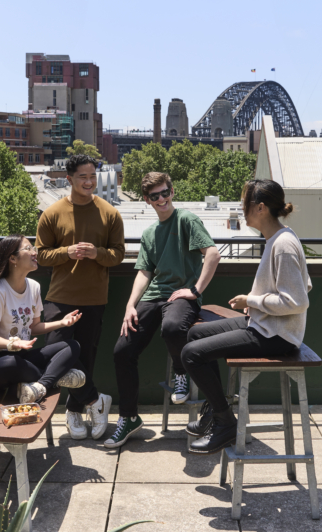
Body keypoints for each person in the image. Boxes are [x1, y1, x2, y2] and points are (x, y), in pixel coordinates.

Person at [180, 179, 311, 454]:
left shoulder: (283, 244)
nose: (242, 210)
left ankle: (224, 422)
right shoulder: (279, 238)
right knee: (193, 334)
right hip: (265, 324)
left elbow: (297, 300)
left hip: (277, 336)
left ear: (261, 208)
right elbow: (304, 284)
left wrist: (251, 300)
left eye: (245, 204)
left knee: (191, 354)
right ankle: (215, 411)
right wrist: (259, 304)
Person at [103, 171, 221, 448]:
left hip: (181, 296)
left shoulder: (186, 220)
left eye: (165, 192)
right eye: (155, 196)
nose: (161, 199)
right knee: (122, 351)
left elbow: (213, 253)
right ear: (147, 200)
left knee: (172, 328)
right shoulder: (149, 233)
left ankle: (180, 372)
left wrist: (195, 291)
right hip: (153, 296)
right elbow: (144, 272)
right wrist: (130, 306)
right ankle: (129, 418)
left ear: (172, 191)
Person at [36, 154, 124, 440]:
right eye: (83, 177)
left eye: (92, 176)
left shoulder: (110, 213)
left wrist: (96, 253)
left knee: (85, 358)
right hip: (59, 297)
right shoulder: (52, 213)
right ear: (69, 178)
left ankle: (73, 411)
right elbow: (40, 255)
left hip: (94, 298)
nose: (89, 182)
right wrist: (67, 252)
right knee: (58, 356)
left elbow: (118, 255)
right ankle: (95, 400)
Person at [0, 234, 100, 418]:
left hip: (23, 357)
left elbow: (34, 327)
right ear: (13, 258)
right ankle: (56, 377)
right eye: (28, 248)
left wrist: (62, 323)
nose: (35, 252)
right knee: (12, 361)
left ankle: (41, 386)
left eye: (34, 248)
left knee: (71, 346)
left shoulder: (33, 287)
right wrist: (12, 344)